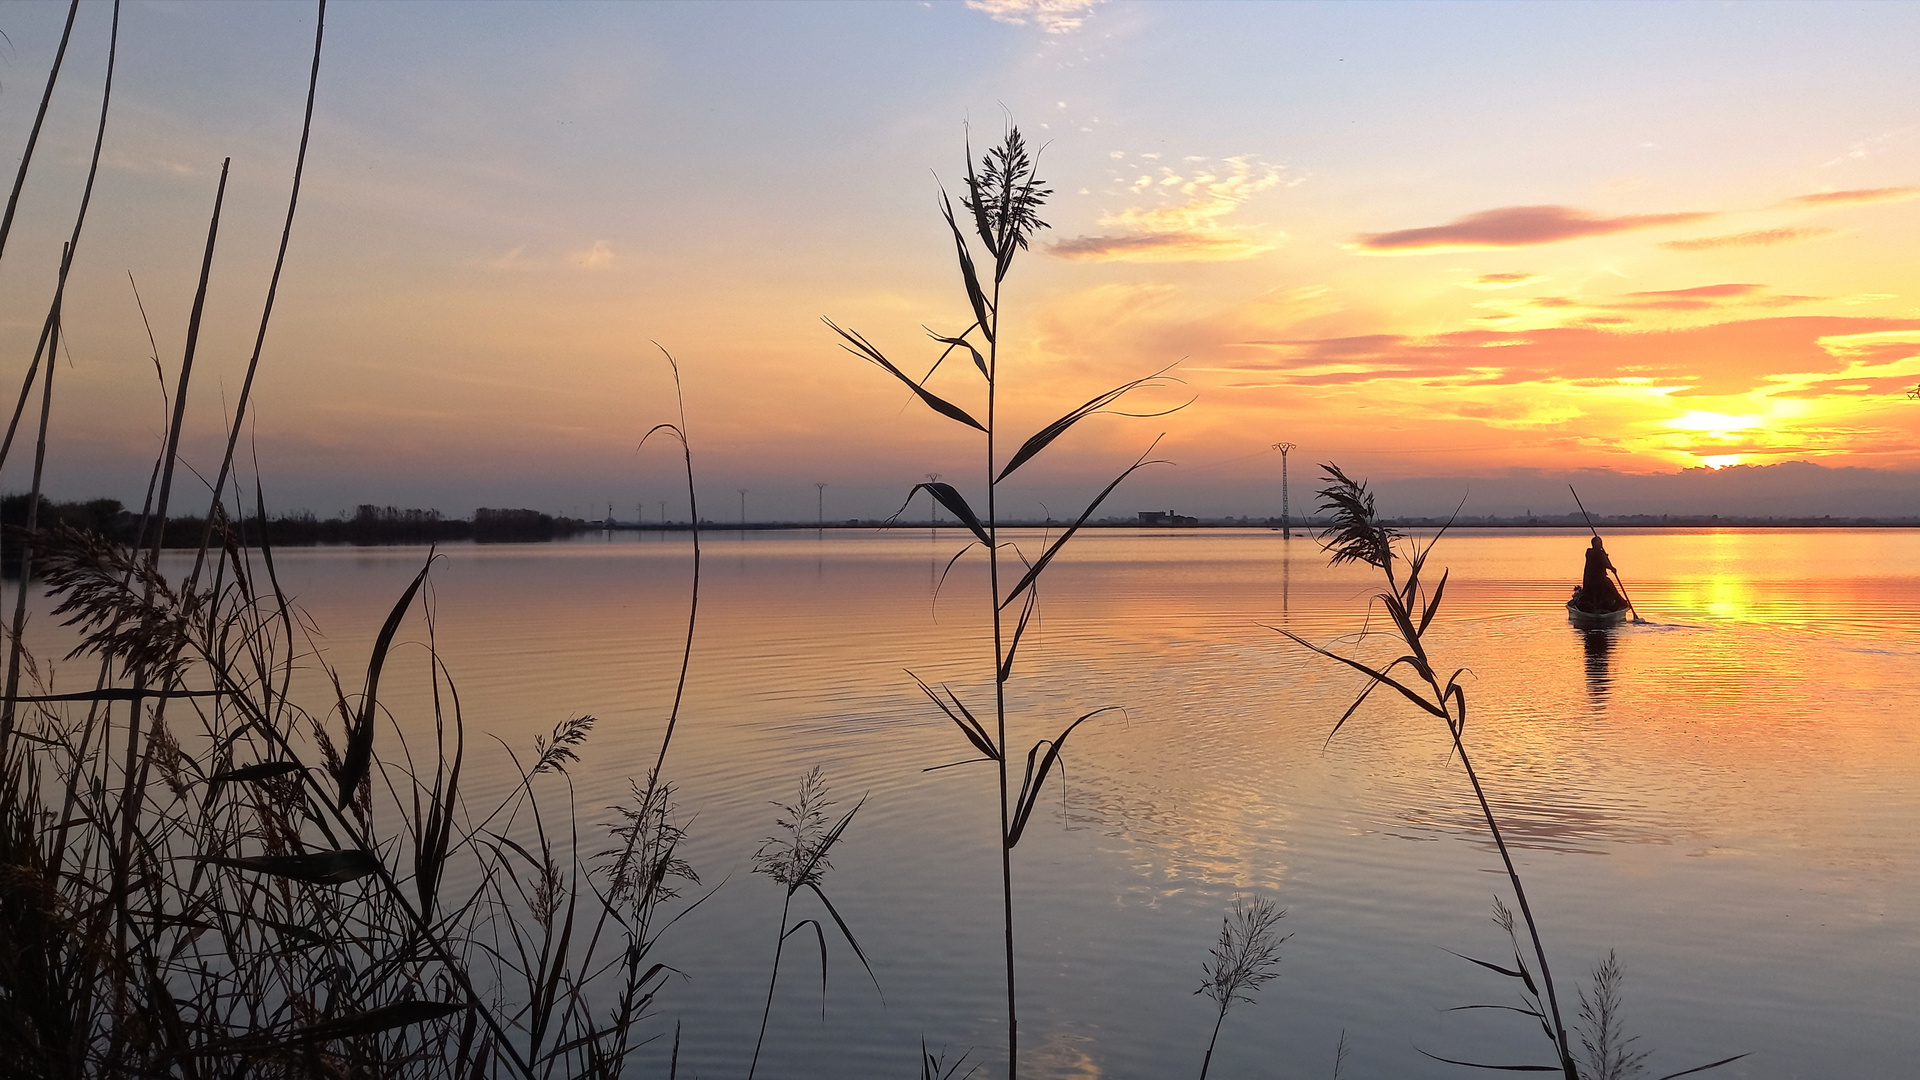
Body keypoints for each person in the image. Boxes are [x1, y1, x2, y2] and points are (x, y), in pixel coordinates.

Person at [1577, 536, 1625, 613]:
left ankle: (1617, 602)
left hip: (1592, 580)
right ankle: (1621, 602)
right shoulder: (1596, 553)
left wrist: (1605, 557)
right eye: (1598, 543)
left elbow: (1603, 560)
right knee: (1610, 585)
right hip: (1597, 580)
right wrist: (1612, 568)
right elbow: (1604, 563)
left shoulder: (1590, 552)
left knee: (1608, 586)